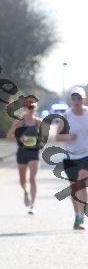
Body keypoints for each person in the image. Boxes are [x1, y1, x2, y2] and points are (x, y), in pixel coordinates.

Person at [55, 86, 88, 230]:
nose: (76, 101)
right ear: (71, 100)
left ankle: (83, 213)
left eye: (79, 98)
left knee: (82, 180)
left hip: (86, 155)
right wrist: (68, 136)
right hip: (70, 156)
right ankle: (78, 216)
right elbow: (57, 136)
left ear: (84, 99)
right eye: (74, 98)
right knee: (74, 187)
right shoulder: (66, 116)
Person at [6, 97, 41, 214]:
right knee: (22, 181)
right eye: (29, 107)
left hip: (34, 153)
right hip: (22, 153)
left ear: (35, 108)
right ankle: (26, 192)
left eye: (33, 107)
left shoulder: (38, 122)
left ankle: (33, 206)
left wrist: (38, 142)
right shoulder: (19, 122)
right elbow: (9, 137)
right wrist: (19, 138)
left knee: (32, 178)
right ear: (25, 108)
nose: (31, 109)